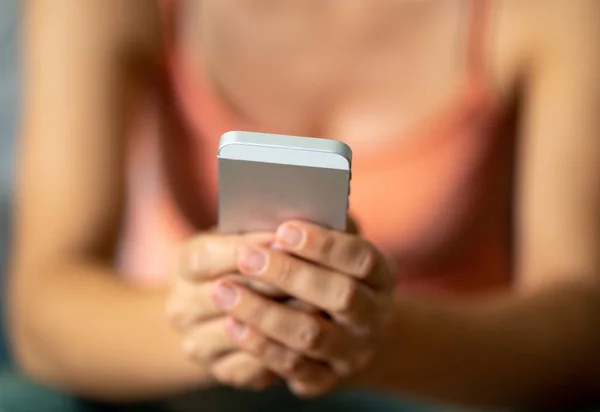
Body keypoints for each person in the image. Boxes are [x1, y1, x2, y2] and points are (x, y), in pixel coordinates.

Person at [3, 0, 600, 410]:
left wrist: (375, 337)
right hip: (178, 379)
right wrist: (225, 323)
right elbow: (42, 305)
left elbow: (582, 323)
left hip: (445, 384)